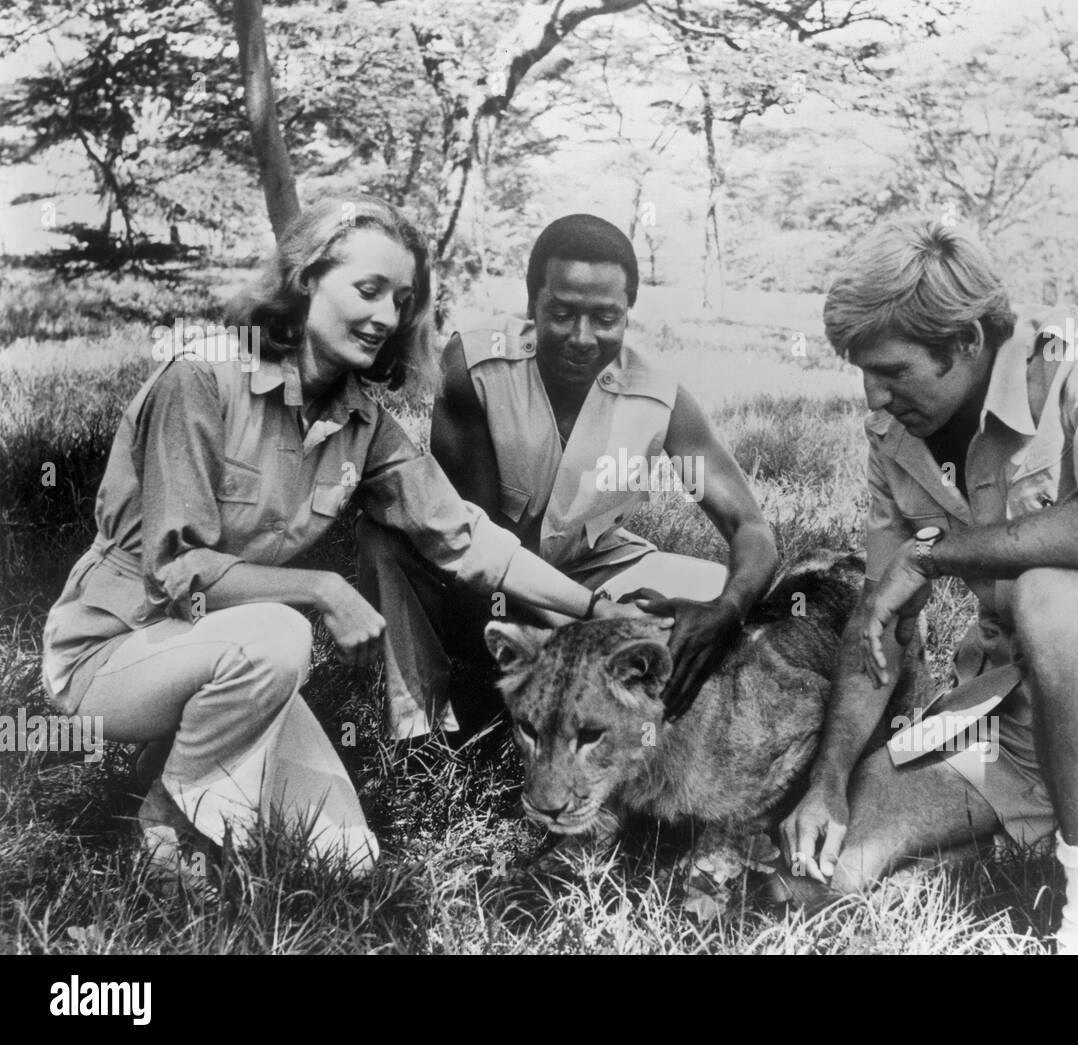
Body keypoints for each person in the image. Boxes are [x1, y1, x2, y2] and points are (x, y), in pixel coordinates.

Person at [40, 196, 645, 882]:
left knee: (345, 858)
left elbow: (466, 538)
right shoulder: (200, 376)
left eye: (402, 299)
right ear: (305, 280)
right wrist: (320, 589)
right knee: (279, 635)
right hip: (113, 652)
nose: (387, 316)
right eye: (368, 289)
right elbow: (175, 570)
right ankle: (166, 823)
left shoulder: (364, 422)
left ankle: (183, 750)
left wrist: (597, 613)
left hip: (236, 662)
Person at [779, 219, 1078, 953]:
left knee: (1052, 596)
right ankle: (1041, 824)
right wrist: (829, 779)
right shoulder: (892, 437)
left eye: (892, 371)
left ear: (967, 342)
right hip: (1012, 707)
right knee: (830, 857)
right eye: (862, 372)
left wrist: (934, 555)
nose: (874, 398)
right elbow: (880, 628)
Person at [358, 214, 778, 739]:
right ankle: (422, 725)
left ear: (629, 313)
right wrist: (598, 619)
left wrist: (727, 610)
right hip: (476, 583)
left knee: (730, 595)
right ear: (532, 303)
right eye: (561, 313)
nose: (582, 338)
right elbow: (477, 554)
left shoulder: (659, 397)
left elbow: (752, 530)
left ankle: (651, 719)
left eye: (605, 317)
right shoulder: (475, 366)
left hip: (592, 570)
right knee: (384, 540)